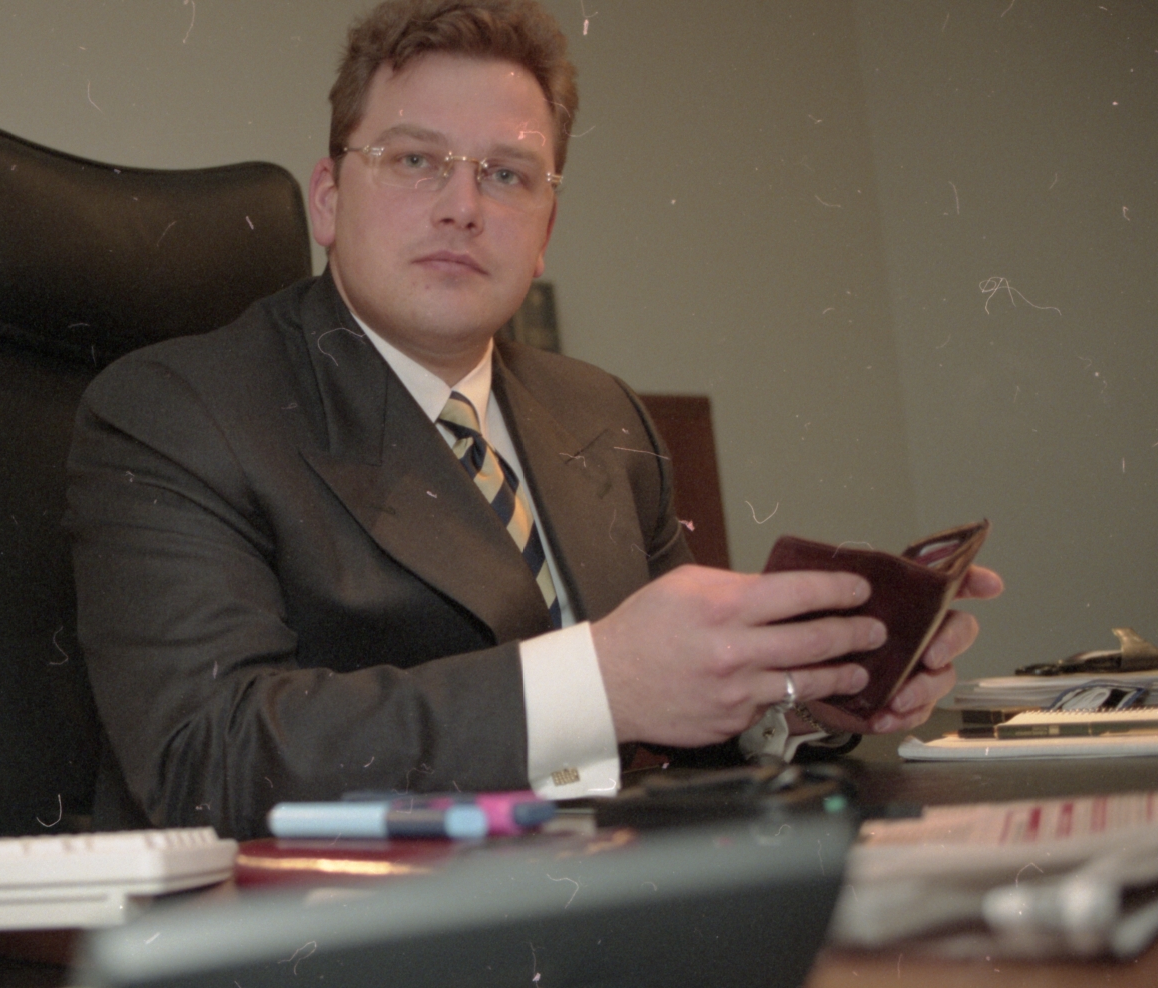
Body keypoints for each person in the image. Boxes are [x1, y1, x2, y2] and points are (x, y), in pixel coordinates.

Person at [65, 0, 1001, 839]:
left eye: (508, 175)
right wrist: (599, 681)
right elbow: (206, 758)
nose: (462, 208)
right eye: (415, 160)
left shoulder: (601, 413)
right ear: (328, 199)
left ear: (546, 229)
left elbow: (674, 726)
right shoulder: (177, 410)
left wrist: (796, 696)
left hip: (606, 895)